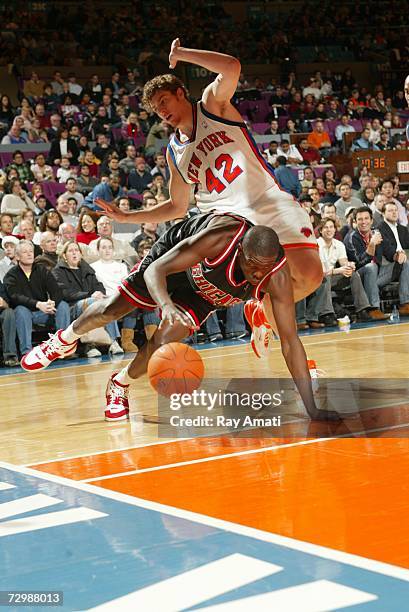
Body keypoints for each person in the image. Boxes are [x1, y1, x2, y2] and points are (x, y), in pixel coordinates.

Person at [95, 39, 321, 359]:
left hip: (267, 202)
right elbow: (176, 206)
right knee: (274, 285)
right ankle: (303, 363)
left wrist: (182, 55)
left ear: (180, 93)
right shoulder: (174, 151)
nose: (162, 111)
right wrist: (126, 217)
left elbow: (232, 67)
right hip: (229, 224)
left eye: (164, 101)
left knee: (311, 274)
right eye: (156, 109)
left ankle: (259, 311)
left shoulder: (212, 106)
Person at [21, 212, 340, 423]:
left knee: (166, 337)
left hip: (204, 293)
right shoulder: (219, 238)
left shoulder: (275, 274)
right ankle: (63, 341)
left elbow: (290, 342)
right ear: (241, 252)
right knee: (113, 308)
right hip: (171, 261)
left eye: (264, 268)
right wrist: (164, 304)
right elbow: (158, 271)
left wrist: (312, 408)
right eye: (252, 266)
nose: (258, 274)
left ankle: (119, 384)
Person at [3, 240, 71, 357]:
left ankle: (62, 348)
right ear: (18, 257)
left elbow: (57, 290)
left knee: (63, 305)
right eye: (25, 252)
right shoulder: (11, 275)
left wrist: (52, 303)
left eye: (31, 251)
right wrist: (38, 304)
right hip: (26, 314)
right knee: (20, 310)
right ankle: (27, 353)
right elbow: (15, 297)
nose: (29, 254)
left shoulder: (41, 270)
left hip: (45, 311)